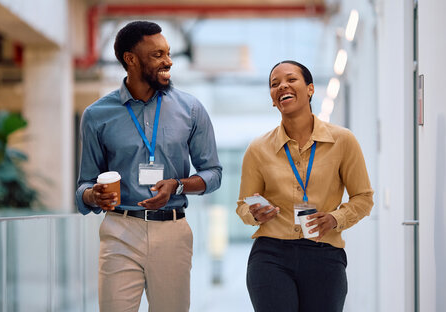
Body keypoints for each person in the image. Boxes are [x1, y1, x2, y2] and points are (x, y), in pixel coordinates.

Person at [75, 21, 222, 312]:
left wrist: (178, 185)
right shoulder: (96, 115)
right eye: (157, 55)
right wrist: (93, 196)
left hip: (172, 230)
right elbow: (84, 185)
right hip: (119, 228)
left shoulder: (191, 109)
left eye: (168, 53)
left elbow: (213, 173)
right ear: (130, 59)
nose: (168, 61)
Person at [236, 60, 374, 312]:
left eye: (291, 79)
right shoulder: (258, 149)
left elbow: (363, 198)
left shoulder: (342, 141)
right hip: (271, 255)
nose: (282, 86)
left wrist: (334, 218)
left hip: (324, 255)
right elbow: (242, 206)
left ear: (310, 89)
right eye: (274, 84)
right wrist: (253, 213)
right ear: (272, 98)